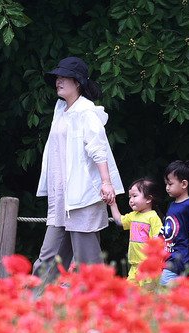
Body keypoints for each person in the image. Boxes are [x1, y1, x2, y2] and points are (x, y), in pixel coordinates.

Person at [32, 56, 125, 286]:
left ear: (78, 82)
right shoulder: (61, 109)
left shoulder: (87, 111)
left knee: (88, 261)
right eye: (57, 77)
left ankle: (96, 311)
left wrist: (106, 183)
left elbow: (98, 149)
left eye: (64, 77)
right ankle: (29, 308)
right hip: (61, 197)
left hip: (82, 195)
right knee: (48, 256)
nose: (58, 81)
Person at [108, 177, 165, 286]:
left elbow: (158, 241)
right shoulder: (133, 215)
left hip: (148, 268)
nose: (131, 200)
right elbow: (119, 221)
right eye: (130, 197)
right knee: (130, 295)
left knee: (148, 297)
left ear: (148, 199)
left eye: (135, 196)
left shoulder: (153, 217)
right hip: (134, 267)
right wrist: (112, 204)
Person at [160, 160, 189, 286]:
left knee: (164, 283)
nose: (167, 187)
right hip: (171, 253)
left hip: (183, 255)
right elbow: (168, 227)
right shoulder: (171, 205)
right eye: (166, 184)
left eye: (170, 183)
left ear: (184, 184)